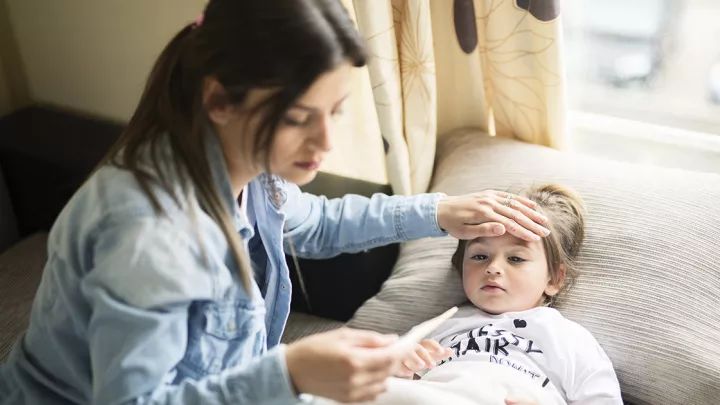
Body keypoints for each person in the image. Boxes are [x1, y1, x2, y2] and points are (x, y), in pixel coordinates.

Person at [0, 1, 550, 404]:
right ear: (218, 100)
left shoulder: (248, 170)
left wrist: (437, 212)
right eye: (297, 118)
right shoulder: (149, 235)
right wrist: (287, 374)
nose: (325, 143)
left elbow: (319, 223)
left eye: (335, 111)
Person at [397, 185, 623, 405]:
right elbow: (387, 382)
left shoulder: (570, 339)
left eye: (516, 258)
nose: (493, 268)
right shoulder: (439, 326)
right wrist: (404, 372)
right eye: (479, 256)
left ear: (554, 279)